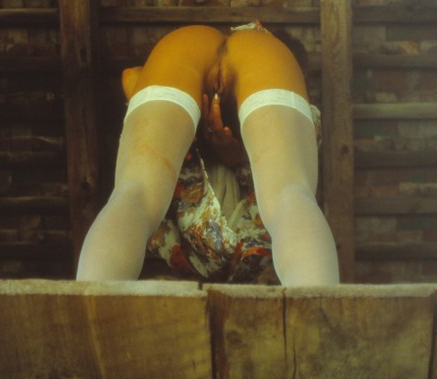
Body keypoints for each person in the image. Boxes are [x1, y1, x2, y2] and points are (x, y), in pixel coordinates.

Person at [76, 23, 339, 286]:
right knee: (288, 195)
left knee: (135, 193)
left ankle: (91, 304)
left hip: (190, 45)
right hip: (261, 53)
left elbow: (131, 78)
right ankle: (317, 309)